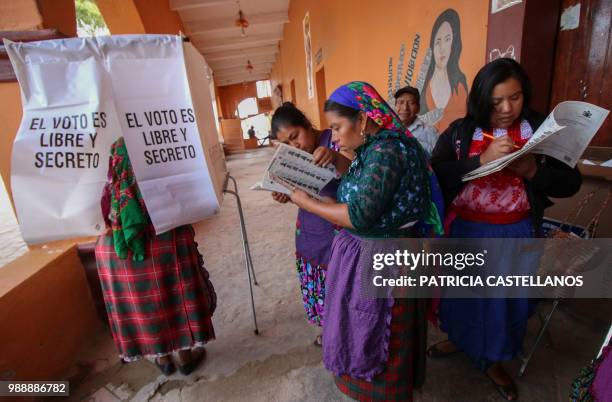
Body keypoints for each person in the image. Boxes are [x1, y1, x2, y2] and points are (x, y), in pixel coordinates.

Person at [429, 58, 582, 400]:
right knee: (463, 298)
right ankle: (461, 338)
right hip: (466, 233)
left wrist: (532, 171)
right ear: (482, 99)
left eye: (514, 97)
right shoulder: (460, 132)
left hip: (515, 234)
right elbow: (435, 175)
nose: (506, 108)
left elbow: (571, 182)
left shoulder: (542, 129)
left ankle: (492, 360)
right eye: (496, 101)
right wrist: (478, 162)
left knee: (504, 304)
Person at [288, 82, 443, 401]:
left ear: (362, 119)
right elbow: (359, 180)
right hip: (374, 255)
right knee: (363, 327)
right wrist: (335, 160)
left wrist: (307, 203)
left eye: (337, 127)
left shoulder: (388, 151)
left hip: (385, 261)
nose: (334, 136)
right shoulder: (376, 145)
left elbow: (359, 214)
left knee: (376, 333)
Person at [95, 137, 216, 376]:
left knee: (143, 307)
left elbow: (101, 217)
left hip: (115, 252)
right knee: (175, 299)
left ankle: (163, 359)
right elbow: (187, 200)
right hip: (166, 240)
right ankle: (185, 357)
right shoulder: (159, 165)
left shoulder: (110, 188)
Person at [270, 102, 352, 346]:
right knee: (319, 286)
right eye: (286, 144)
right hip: (309, 231)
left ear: (307, 124)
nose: (295, 146)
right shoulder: (293, 156)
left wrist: (336, 158)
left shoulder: (335, 140)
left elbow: (356, 170)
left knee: (343, 284)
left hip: (338, 232)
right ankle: (330, 329)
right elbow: (296, 189)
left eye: (295, 136)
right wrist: (284, 193)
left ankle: (347, 333)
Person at [420, 8, 469, 132]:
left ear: (454, 43)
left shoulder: (460, 84)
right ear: (432, 45)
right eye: (438, 41)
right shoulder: (424, 89)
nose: (442, 48)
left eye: (447, 39)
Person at [394, 85, 439, 153]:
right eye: (401, 102)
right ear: (395, 106)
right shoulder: (387, 131)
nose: (405, 108)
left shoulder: (430, 133)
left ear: (418, 108)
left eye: (411, 103)